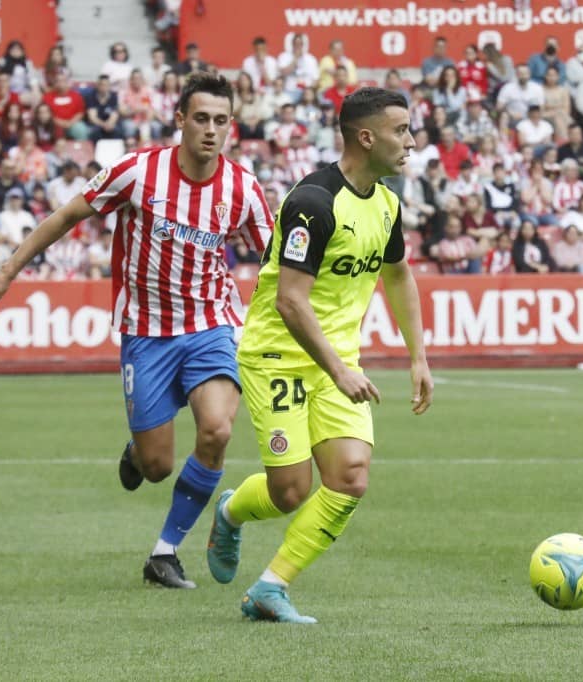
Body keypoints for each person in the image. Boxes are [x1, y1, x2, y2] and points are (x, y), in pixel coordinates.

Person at [0, 73, 273, 589]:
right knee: (156, 466)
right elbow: (67, 216)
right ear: (180, 120)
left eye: (221, 121)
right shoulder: (138, 172)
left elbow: (278, 258)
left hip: (211, 322)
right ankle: (136, 452)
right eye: (200, 119)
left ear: (231, 125)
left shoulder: (242, 187)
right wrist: (7, 271)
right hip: (145, 331)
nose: (211, 131)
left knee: (217, 430)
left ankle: (165, 552)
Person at [209, 88, 432, 624]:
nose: (410, 141)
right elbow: (289, 300)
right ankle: (231, 510)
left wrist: (418, 357)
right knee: (290, 491)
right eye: (401, 130)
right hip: (277, 357)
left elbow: (398, 275)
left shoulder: (386, 203)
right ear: (366, 136)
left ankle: (270, 586)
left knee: (351, 476)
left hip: (337, 363)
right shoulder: (312, 202)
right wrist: (340, 368)